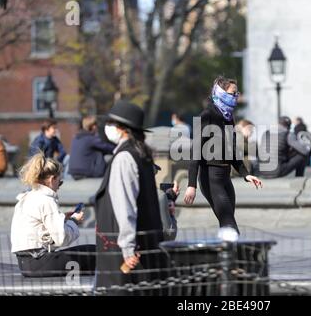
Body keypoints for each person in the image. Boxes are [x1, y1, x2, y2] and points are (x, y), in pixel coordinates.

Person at [94, 100, 165, 295]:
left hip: (123, 252)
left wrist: (127, 247)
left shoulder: (125, 158)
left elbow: (125, 206)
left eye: (112, 124)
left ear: (124, 129)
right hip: (145, 244)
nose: (108, 128)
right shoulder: (140, 154)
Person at [183, 76, 263, 239]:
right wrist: (192, 185)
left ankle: (228, 262)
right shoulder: (207, 115)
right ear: (220, 93)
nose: (236, 96)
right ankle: (239, 260)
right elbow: (196, 150)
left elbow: (232, 150)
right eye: (233, 93)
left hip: (225, 178)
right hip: (211, 178)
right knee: (229, 224)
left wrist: (245, 174)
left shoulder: (228, 117)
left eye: (237, 93)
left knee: (227, 224)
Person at [10, 152, 95, 277]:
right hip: (41, 263)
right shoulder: (46, 200)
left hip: (26, 264)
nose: (59, 187)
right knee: (95, 253)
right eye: (60, 182)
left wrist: (63, 219)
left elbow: (40, 228)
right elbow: (62, 239)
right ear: (52, 179)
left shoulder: (27, 197)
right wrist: (74, 221)